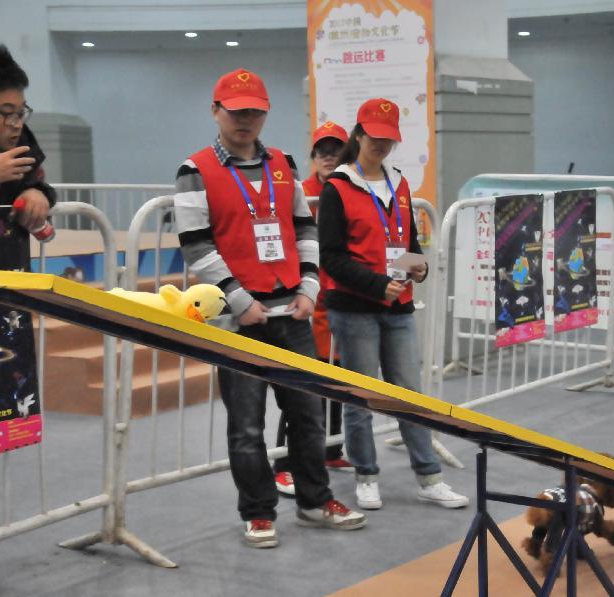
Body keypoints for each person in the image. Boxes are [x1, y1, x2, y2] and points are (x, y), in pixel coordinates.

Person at [174, 68, 365, 547]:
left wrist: (309, 287)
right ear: (216, 111)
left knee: (308, 416)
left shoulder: (283, 163)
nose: (246, 120)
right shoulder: (195, 170)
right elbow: (197, 247)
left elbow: (304, 229)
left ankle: (315, 502)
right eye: (237, 112)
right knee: (246, 426)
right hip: (239, 321)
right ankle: (258, 512)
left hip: (292, 314)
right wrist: (239, 302)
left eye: (255, 112)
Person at [318, 97, 468, 511]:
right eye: (375, 137)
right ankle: (366, 474)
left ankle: (429, 477)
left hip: (398, 306)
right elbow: (330, 256)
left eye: (389, 139)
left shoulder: (399, 183)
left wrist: (416, 268)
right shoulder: (338, 187)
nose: (381, 145)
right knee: (361, 395)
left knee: (410, 394)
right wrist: (374, 284)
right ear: (359, 135)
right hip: (353, 308)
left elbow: (408, 240)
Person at [0, 44, 58, 595]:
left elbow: (39, 182)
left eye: (21, 111)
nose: (16, 123)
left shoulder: (20, 144)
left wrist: (35, 192)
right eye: (5, 112)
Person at [273, 121, 353, 498]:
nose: (328, 156)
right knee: (303, 386)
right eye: (322, 150)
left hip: (341, 298)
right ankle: (284, 463)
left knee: (337, 376)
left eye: (335, 150)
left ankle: (331, 449)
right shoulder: (300, 193)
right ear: (313, 156)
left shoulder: (349, 191)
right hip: (308, 298)